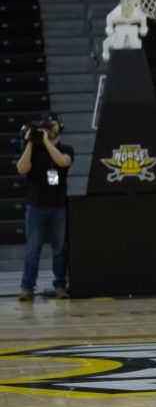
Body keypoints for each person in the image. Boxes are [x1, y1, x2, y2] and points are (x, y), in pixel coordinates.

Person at [16, 112, 74, 301]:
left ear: (61, 126)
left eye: (53, 124)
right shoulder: (34, 150)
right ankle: (27, 287)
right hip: (35, 206)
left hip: (58, 206)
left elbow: (63, 161)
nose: (50, 128)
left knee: (59, 249)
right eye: (46, 125)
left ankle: (59, 286)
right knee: (33, 249)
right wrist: (31, 143)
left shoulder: (66, 148)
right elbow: (22, 168)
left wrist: (47, 142)